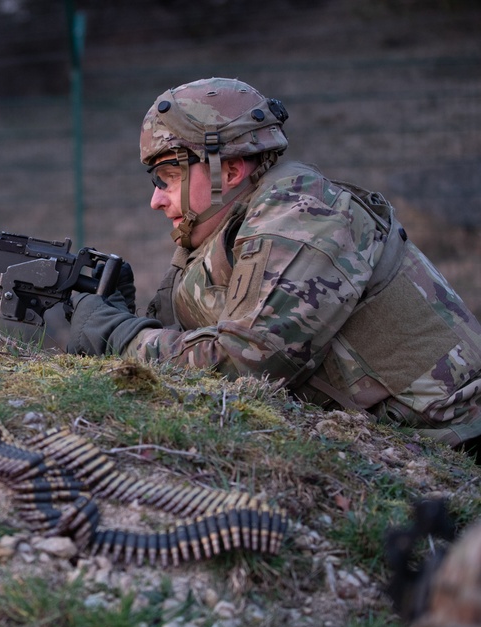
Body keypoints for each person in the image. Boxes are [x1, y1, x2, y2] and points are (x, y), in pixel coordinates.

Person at [66, 77, 481, 455]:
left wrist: (120, 338)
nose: (156, 200)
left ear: (228, 170)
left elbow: (244, 366)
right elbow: (201, 339)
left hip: (463, 444)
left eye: (167, 177)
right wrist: (126, 317)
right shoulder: (237, 223)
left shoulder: (302, 216)